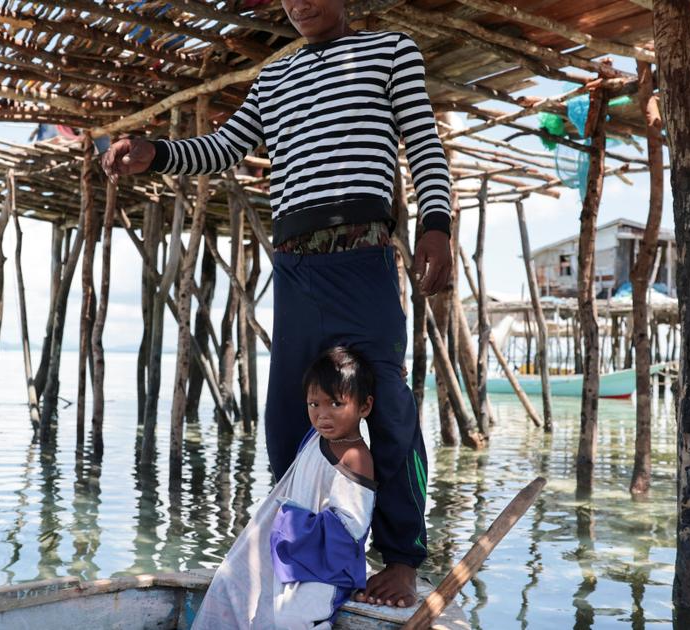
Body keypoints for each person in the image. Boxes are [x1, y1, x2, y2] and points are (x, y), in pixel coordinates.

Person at [101, 0, 454, 608]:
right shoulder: (273, 76)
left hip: (364, 261)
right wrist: (155, 151)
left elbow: (423, 144)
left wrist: (436, 223)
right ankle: (307, 549)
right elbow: (223, 147)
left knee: (391, 412)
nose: (300, 4)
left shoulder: (392, 52)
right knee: (290, 421)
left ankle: (400, 557)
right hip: (294, 270)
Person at [192, 346, 376, 628]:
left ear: (364, 407)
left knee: (293, 616)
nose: (323, 415)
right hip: (298, 551)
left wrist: (294, 529)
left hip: (325, 567)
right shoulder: (318, 439)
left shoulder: (355, 456)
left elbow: (351, 528)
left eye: (336, 404)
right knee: (232, 580)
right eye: (314, 404)